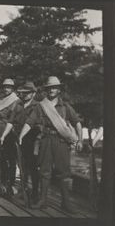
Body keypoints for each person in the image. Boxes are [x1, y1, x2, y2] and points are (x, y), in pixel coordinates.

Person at [18, 76, 83, 213]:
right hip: (46, 140)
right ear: (46, 90)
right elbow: (30, 122)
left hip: (61, 142)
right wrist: (21, 136)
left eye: (54, 87)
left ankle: (66, 203)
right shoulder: (41, 106)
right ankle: (43, 201)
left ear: (58, 89)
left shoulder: (65, 106)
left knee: (64, 173)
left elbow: (77, 122)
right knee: (44, 171)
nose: (52, 90)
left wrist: (80, 140)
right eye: (49, 88)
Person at [14, 81, 41, 204]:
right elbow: (13, 119)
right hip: (19, 139)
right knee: (22, 166)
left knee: (33, 167)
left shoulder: (38, 106)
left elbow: (39, 124)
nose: (24, 95)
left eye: (27, 93)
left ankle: (35, 193)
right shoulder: (18, 105)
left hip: (32, 140)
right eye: (23, 93)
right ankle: (23, 189)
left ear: (33, 93)